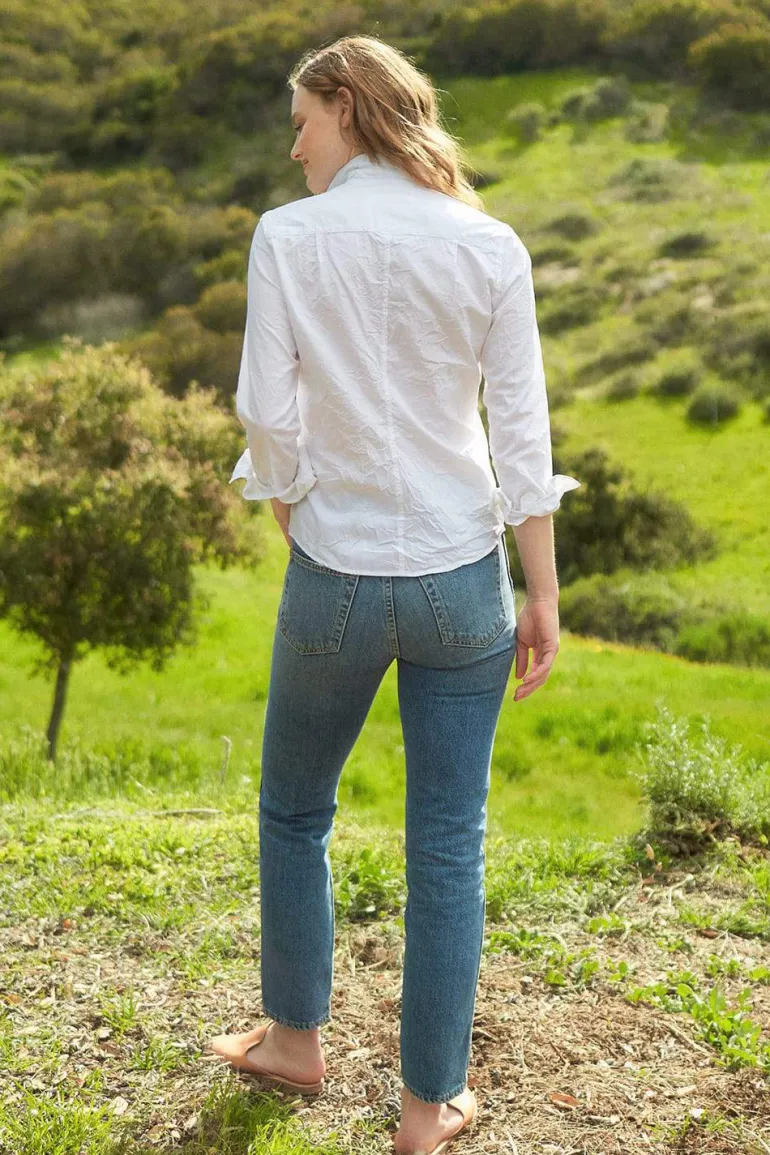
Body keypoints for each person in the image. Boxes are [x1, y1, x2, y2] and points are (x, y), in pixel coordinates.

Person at [208, 34, 581, 1155]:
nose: (292, 143)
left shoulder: (287, 238)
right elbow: (519, 433)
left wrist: (289, 499)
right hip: (462, 581)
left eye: (302, 120)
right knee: (448, 846)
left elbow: (266, 411)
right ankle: (426, 1110)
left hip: (335, 573)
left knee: (291, 811)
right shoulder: (489, 243)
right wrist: (542, 591)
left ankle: (294, 1042)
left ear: (347, 107)